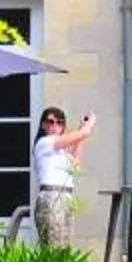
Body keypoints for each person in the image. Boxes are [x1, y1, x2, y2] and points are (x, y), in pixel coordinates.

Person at [30, 105, 96, 249]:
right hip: (52, 195)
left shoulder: (61, 151)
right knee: (53, 245)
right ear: (43, 125)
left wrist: (81, 131)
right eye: (50, 122)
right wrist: (87, 127)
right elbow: (81, 134)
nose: (55, 126)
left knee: (64, 245)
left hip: (66, 196)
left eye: (59, 122)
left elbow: (75, 166)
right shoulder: (44, 143)